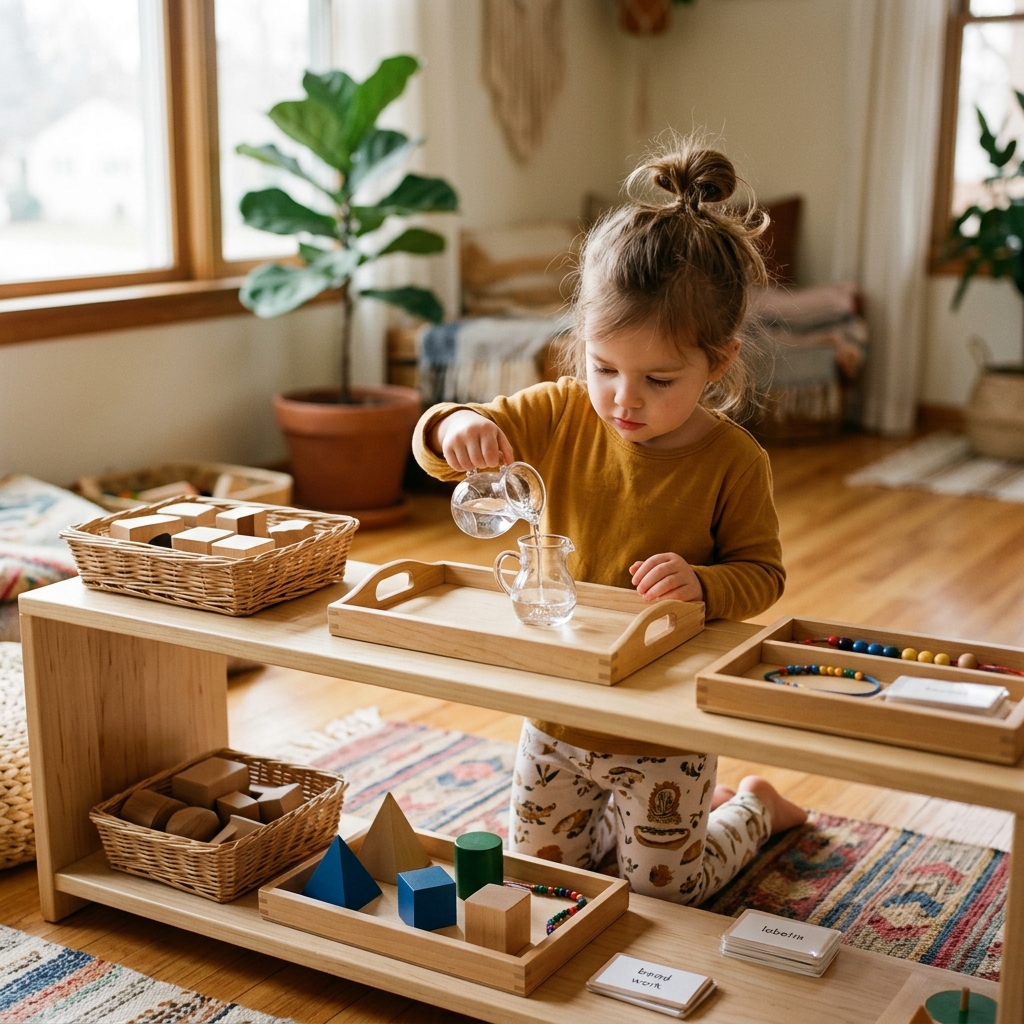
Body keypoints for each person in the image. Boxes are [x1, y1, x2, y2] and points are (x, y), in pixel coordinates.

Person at [412, 140, 807, 905]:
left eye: (658, 379)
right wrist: (454, 425)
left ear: (719, 362)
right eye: (603, 367)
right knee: (536, 876)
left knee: (667, 892)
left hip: (664, 729)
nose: (624, 398)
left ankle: (756, 808)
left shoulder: (735, 461)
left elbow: (764, 577)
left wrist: (704, 585)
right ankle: (615, 828)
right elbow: (437, 449)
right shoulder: (559, 413)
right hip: (559, 713)